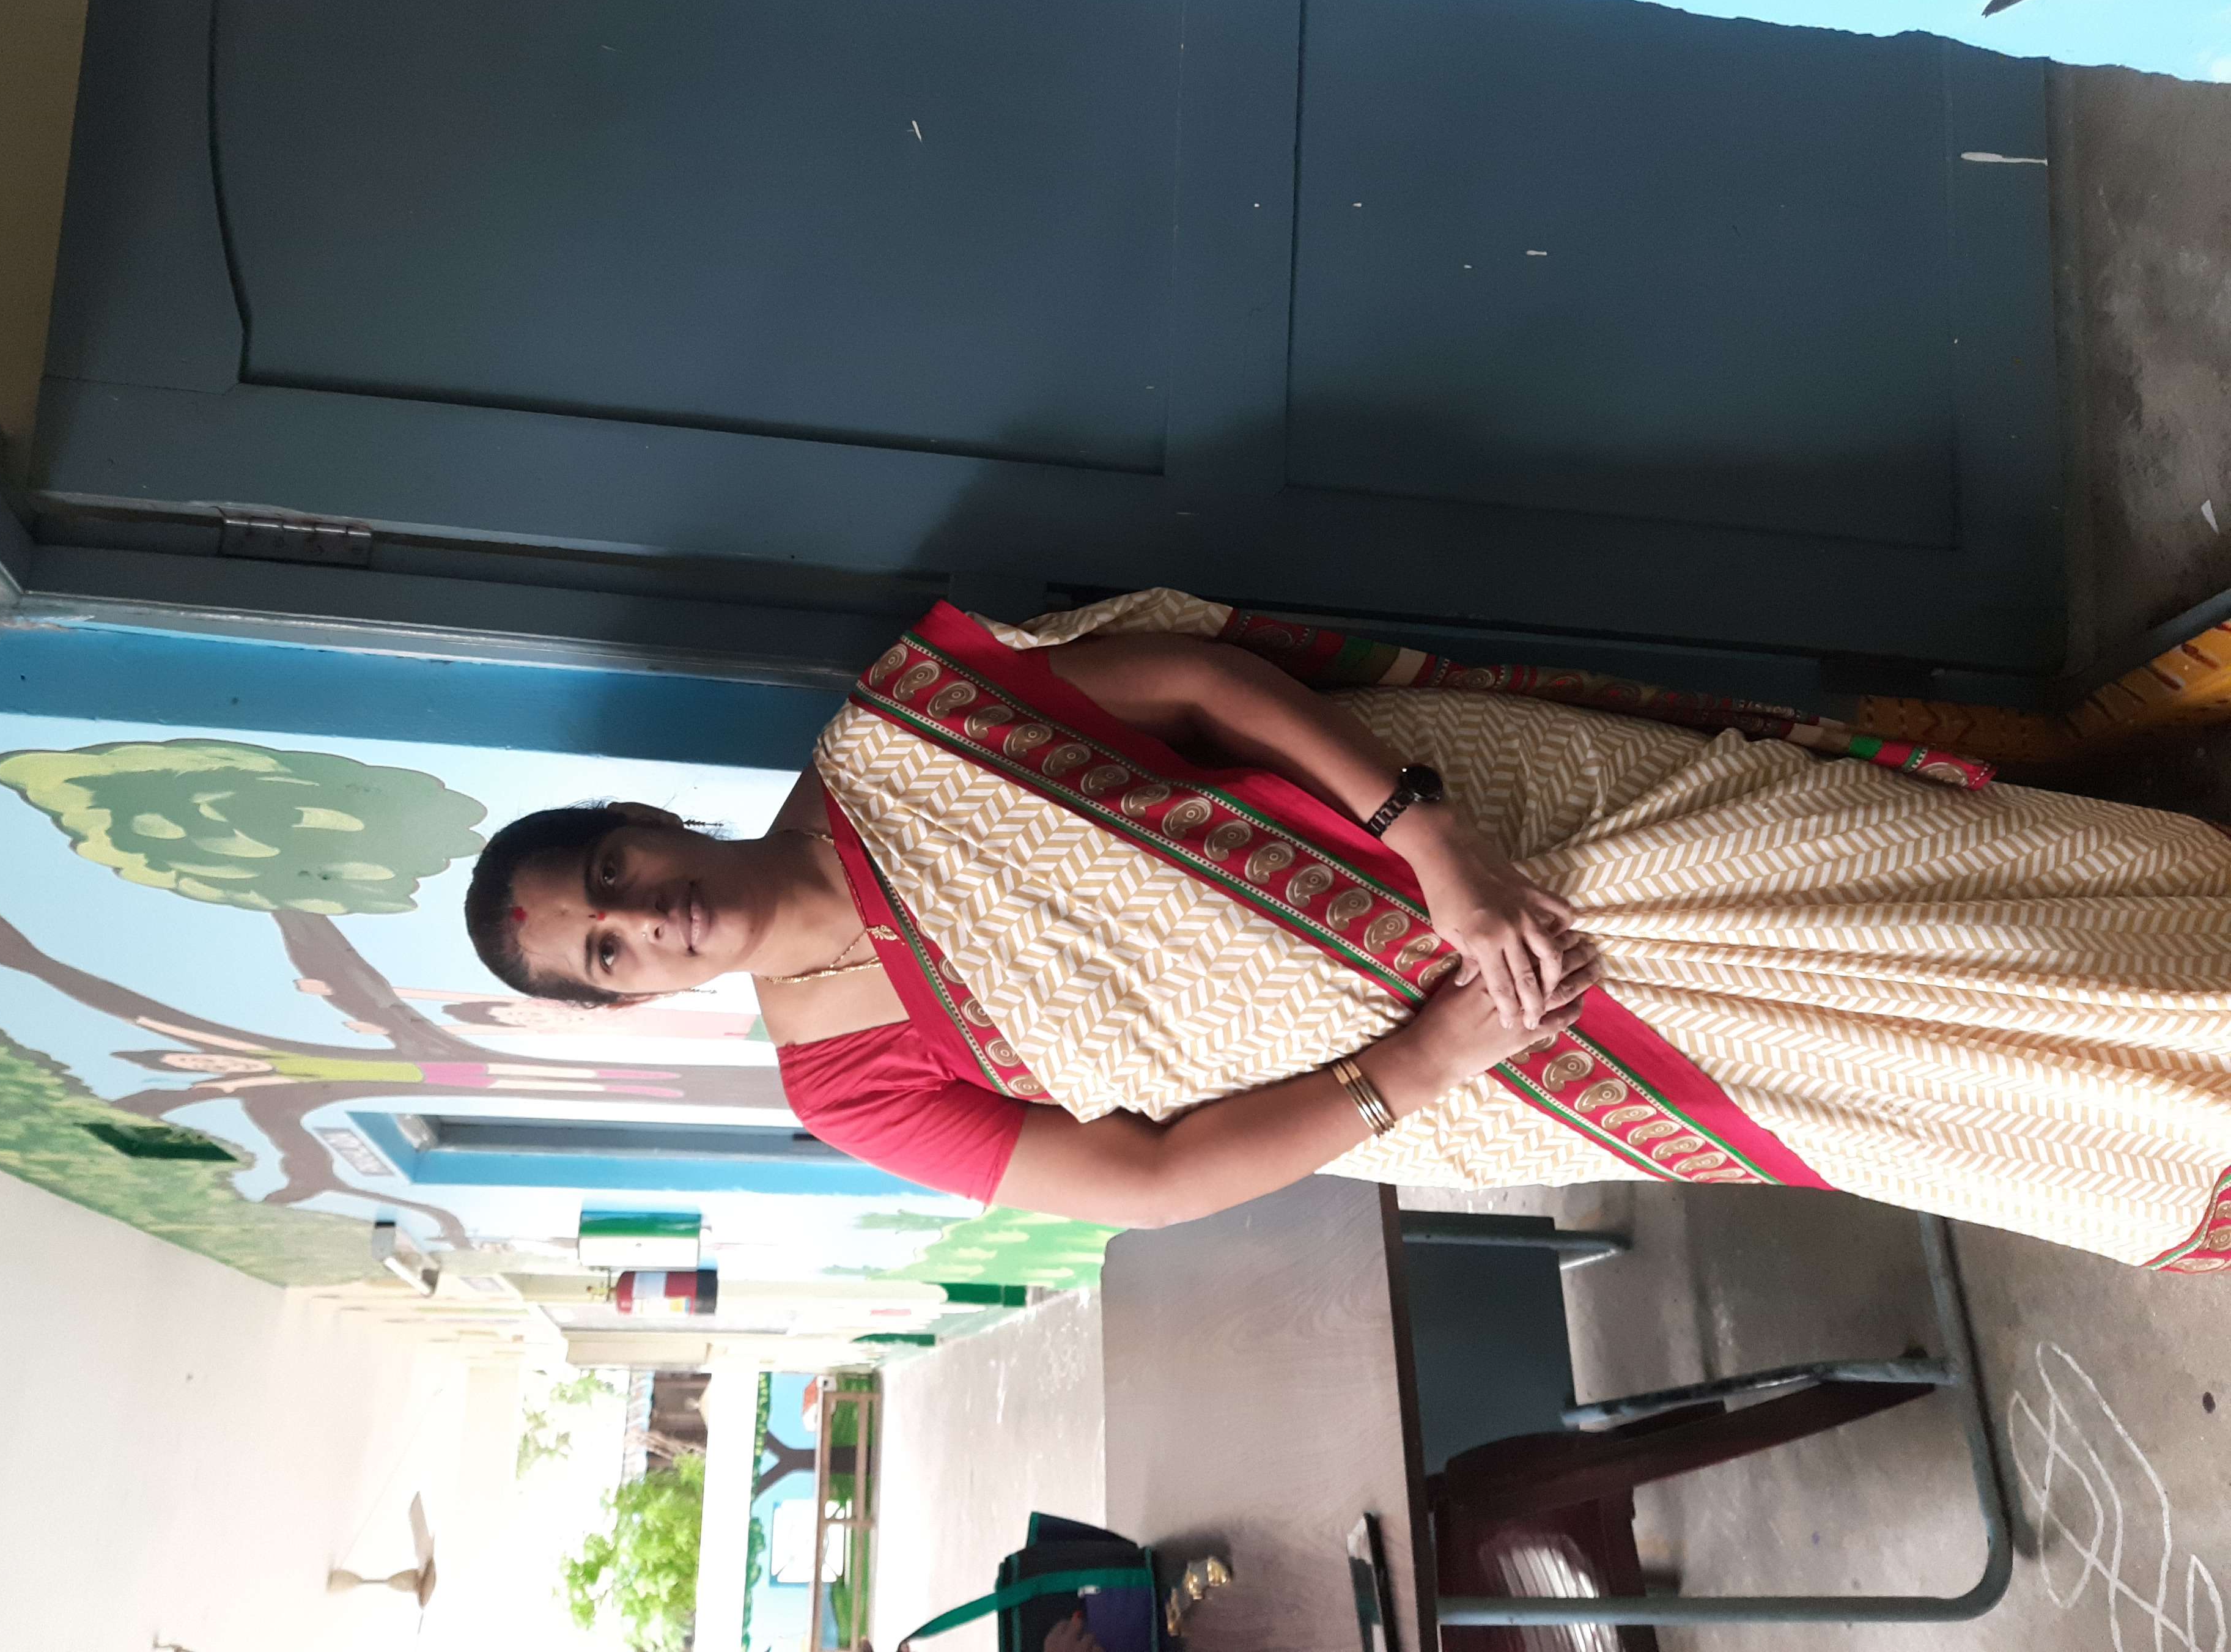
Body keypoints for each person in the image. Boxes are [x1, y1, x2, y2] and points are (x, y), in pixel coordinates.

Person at [463, 590, 2231, 1272]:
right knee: (1886, 1105)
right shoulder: (848, 1087)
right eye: (605, 954)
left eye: (610, 874)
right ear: (628, 1002)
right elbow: (1150, 1180)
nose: (645, 920)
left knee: (1960, 901)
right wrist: (1426, 1061)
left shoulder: (899, 739)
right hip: (1496, 1065)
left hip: (1518, 840)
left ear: (642, 823)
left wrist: (1432, 845)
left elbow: (1196, 684)